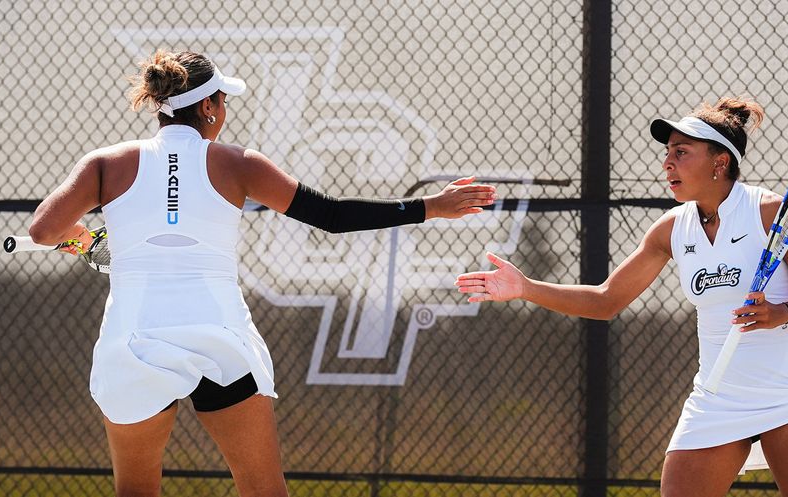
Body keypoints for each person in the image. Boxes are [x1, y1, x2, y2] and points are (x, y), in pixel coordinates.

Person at [28, 50, 496, 497]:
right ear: (208, 107)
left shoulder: (105, 163)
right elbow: (332, 216)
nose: (224, 111)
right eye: (223, 101)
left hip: (133, 342)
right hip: (221, 339)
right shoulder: (239, 163)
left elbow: (44, 231)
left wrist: (84, 241)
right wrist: (431, 207)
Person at [455, 97, 788, 496]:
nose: (667, 164)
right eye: (667, 153)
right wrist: (526, 287)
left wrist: (781, 313)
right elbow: (606, 299)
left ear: (720, 162)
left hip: (787, 390)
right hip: (717, 396)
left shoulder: (768, 212)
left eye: (681, 152)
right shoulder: (671, 229)